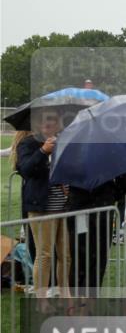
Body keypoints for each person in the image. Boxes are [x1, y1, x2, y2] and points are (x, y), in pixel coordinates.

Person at [13, 112, 71, 301]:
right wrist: (43, 152)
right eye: (45, 122)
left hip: (62, 206)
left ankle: (65, 293)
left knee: (66, 255)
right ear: (38, 125)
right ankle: (41, 298)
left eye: (53, 121)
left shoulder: (61, 144)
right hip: (40, 207)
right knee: (44, 254)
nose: (49, 125)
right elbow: (25, 170)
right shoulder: (28, 144)